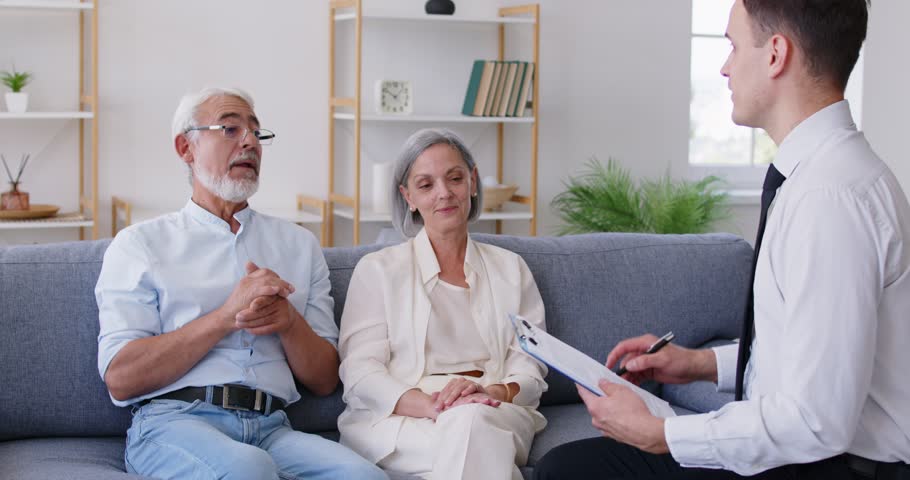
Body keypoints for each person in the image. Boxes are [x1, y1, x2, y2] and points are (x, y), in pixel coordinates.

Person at [535, 1, 910, 479]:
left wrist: (662, 434)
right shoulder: (822, 179)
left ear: (776, 54)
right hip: (815, 457)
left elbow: (817, 421)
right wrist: (697, 364)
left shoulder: (830, 199)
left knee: (572, 471)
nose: (724, 66)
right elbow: (811, 353)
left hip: (831, 467)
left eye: (733, 46)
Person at [95, 87, 387, 480]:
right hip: (174, 422)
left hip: (271, 429)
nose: (249, 141)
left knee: (365, 476)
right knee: (249, 470)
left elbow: (323, 380)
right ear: (186, 148)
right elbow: (121, 379)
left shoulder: (298, 245)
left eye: (255, 132)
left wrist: (288, 322)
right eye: (230, 129)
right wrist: (226, 316)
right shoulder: (140, 244)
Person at [337, 128, 548, 479]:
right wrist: (434, 407)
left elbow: (531, 366)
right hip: (404, 417)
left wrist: (489, 392)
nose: (444, 193)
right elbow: (360, 372)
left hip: (492, 407)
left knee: (473, 423)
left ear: (473, 182)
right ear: (407, 196)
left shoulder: (512, 269)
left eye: (455, 178)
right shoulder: (377, 271)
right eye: (425, 185)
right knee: (473, 438)